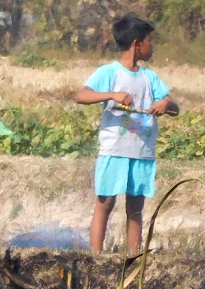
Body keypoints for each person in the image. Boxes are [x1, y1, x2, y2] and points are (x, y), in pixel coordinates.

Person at [74, 14, 179, 254]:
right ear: (137, 44)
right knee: (105, 203)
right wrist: (111, 95)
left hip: (141, 153)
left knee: (135, 208)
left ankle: (134, 256)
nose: (152, 46)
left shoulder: (150, 78)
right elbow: (82, 96)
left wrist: (166, 105)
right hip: (115, 150)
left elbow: (173, 105)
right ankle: (96, 256)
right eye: (149, 41)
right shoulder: (109, 73)